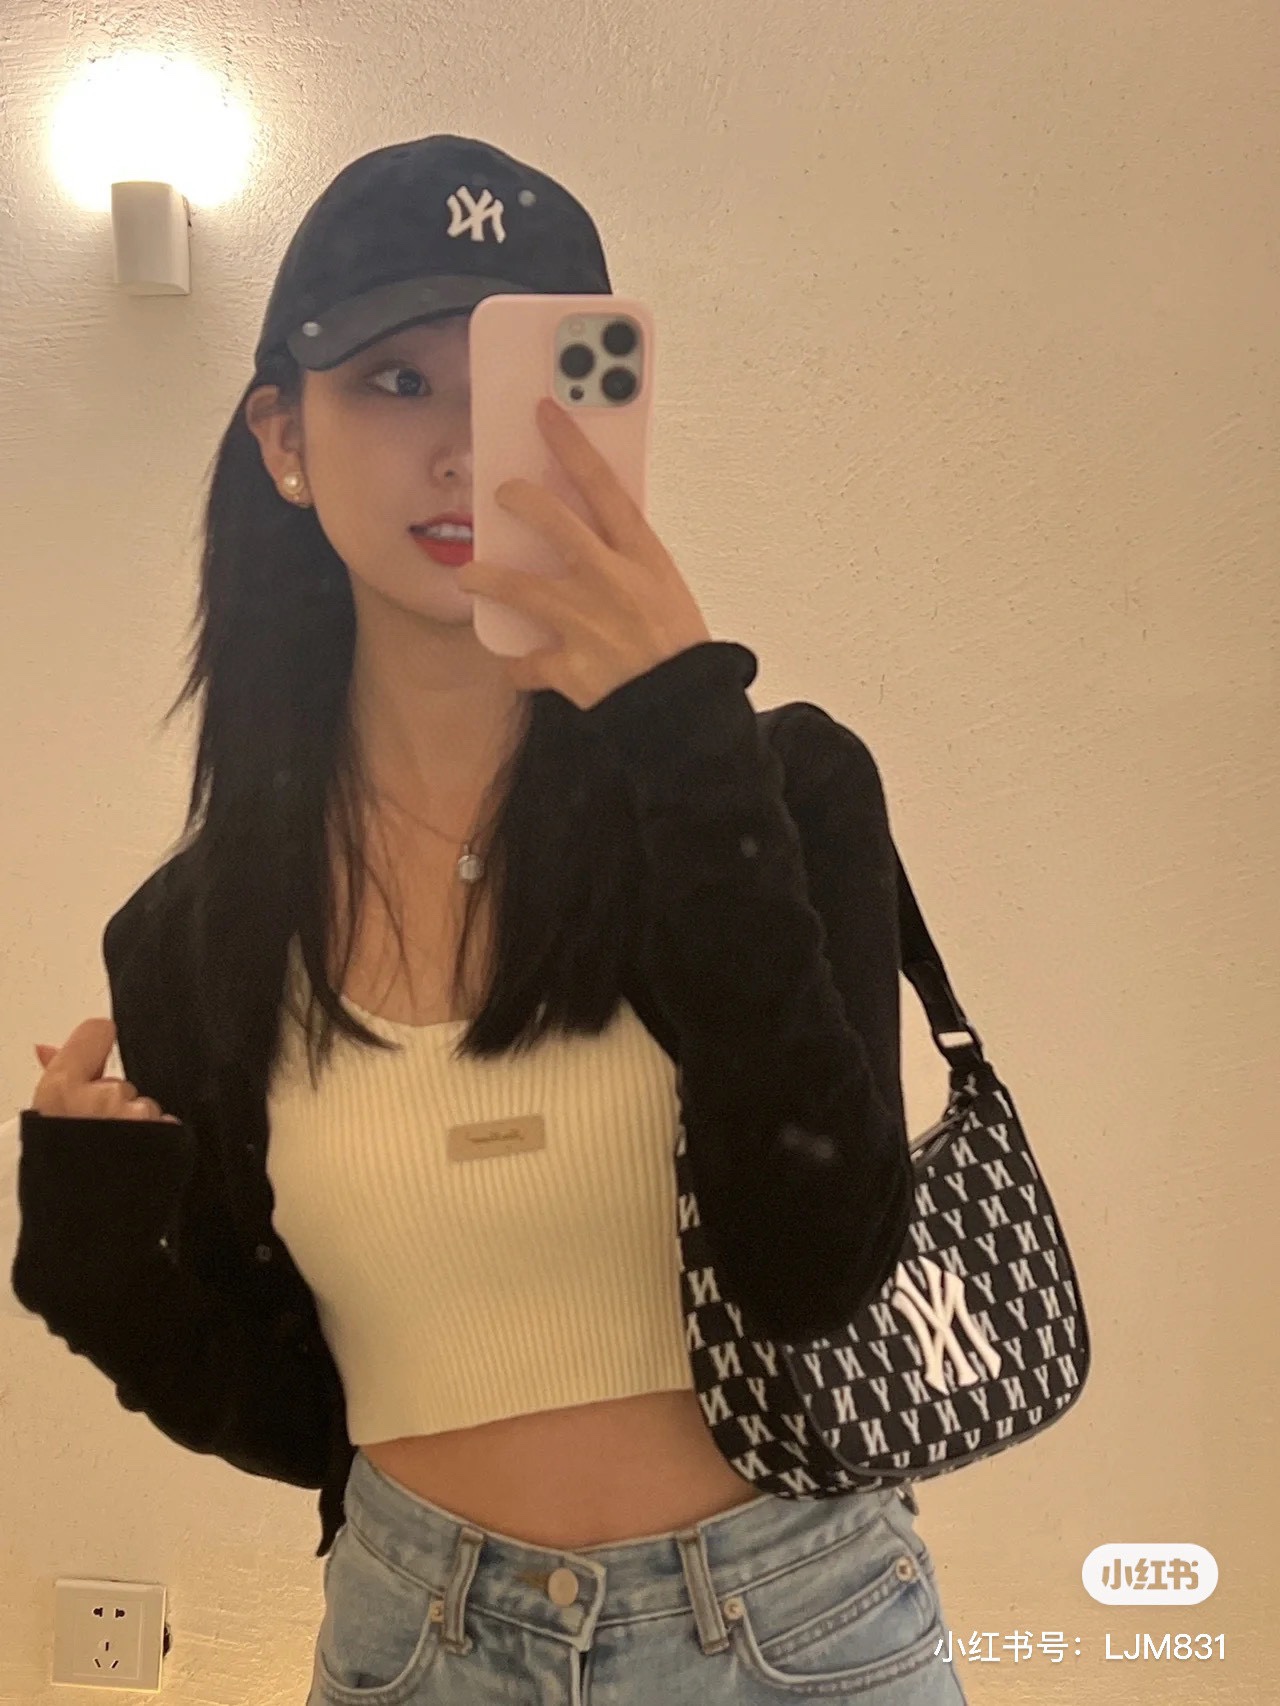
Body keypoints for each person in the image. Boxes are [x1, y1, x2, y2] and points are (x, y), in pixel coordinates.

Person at [20, 135, 967, 1703]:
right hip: (417, 1639)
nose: (463, 451)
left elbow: (818, 1267)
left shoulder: (776, 791)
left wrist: (679, 719)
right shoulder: (198, 933)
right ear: (284, 435)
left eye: (519, 385)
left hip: (800, 1631)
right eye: (397, 382)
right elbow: (290, 1410)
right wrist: (90, 1251)